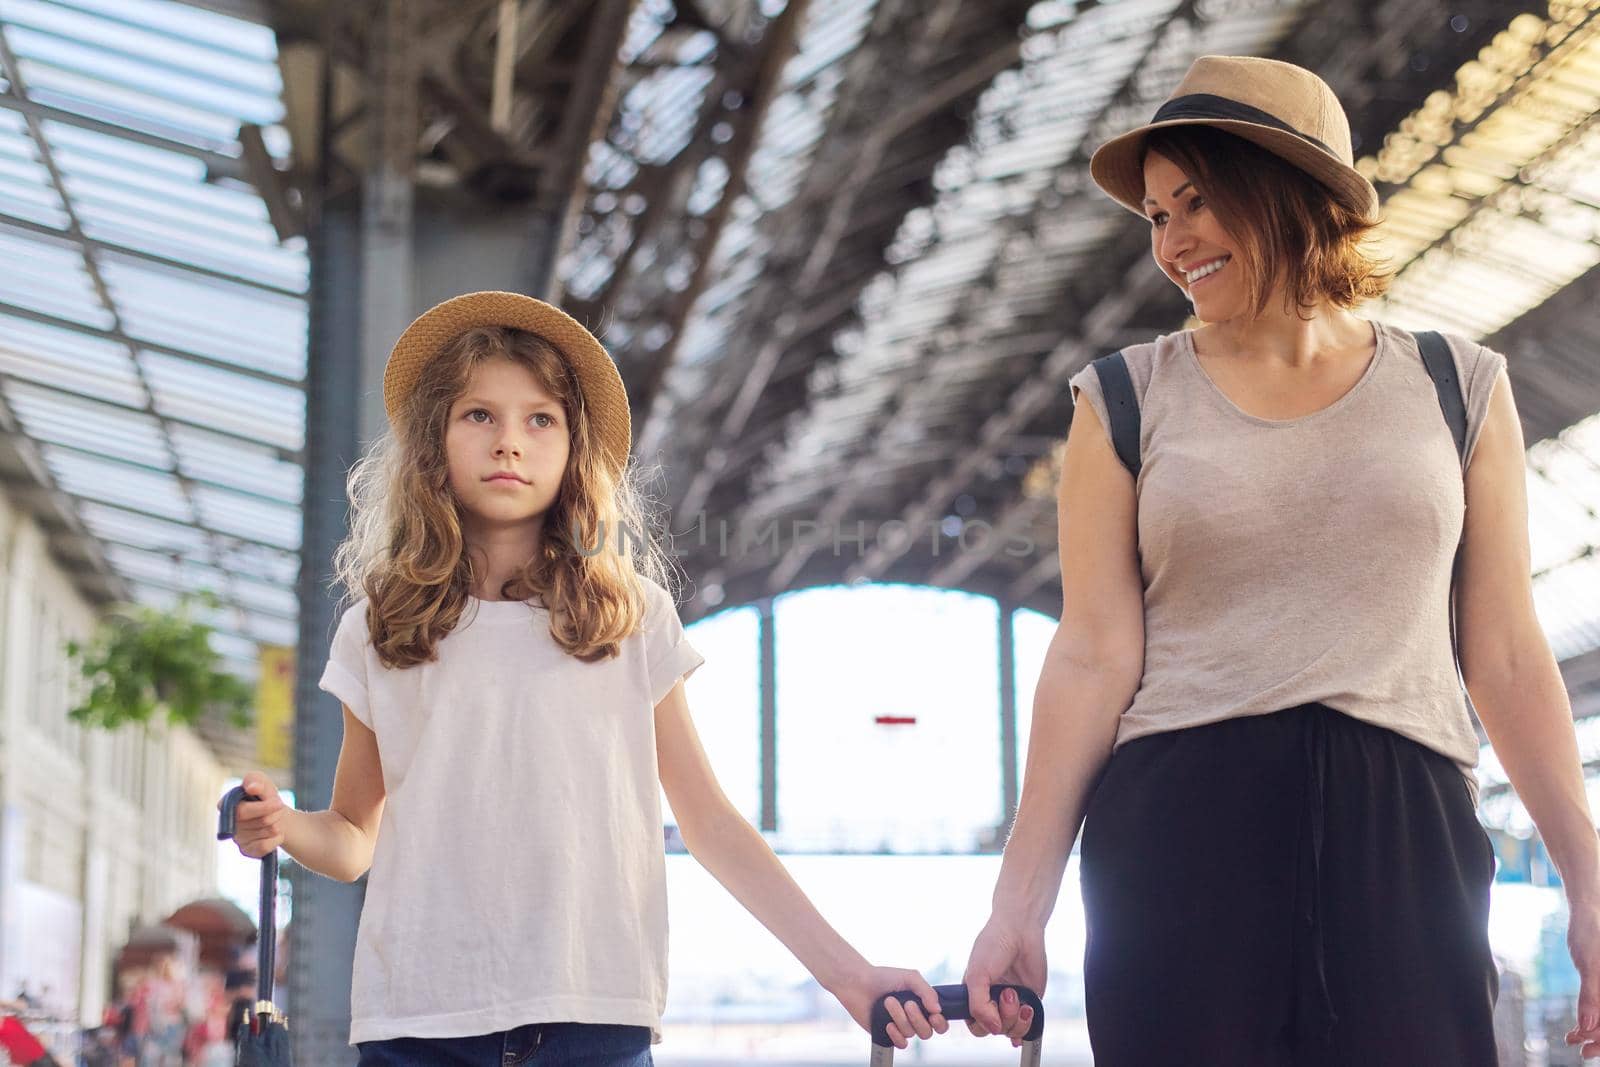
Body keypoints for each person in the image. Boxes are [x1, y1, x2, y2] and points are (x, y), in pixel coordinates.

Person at [946, 55, 1600, 1064]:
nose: (1171, 241)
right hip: (1182, 825)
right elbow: (1090, 656)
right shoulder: (1121, 396)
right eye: (1156, 215)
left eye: (1194, 201)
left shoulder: (1457, 385)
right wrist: (1016, 906)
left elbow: (1506, 652)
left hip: (1408, 829)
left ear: (1284, 188)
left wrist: (1588, 888)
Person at [225, 292, 945, 1065]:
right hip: (417, 1022)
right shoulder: (378, 624)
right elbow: (353, 837)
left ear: (574, 450)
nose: (510, 442)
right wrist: (283, 825)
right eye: (479, 415)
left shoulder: (632, 616)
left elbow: (709, 823)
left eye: (541, 419)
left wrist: (850, 974)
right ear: (435, 440)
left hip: (594, 1014)